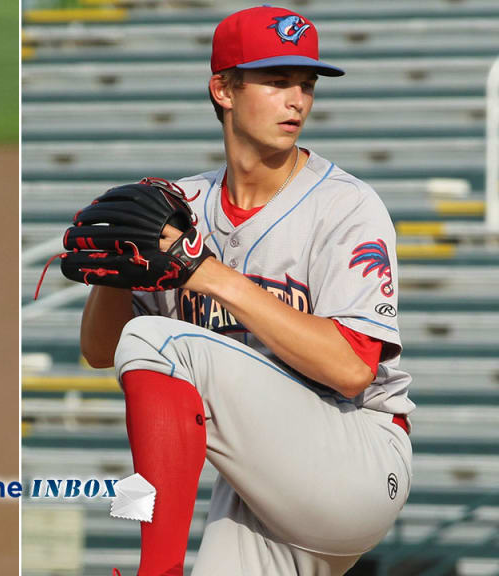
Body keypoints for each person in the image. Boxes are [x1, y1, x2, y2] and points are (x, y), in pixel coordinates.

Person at [75, 6, 413, 575]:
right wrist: (119, 271)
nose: (297, 100)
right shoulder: (182, 207)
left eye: (305, 85)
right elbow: (100, 350)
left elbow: (353, 368)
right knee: (147, 337)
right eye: (277, 81)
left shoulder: (346, 205)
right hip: (261, 486)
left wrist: (206, 273)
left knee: (161, 343)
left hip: (356, 457)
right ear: (223, 89)